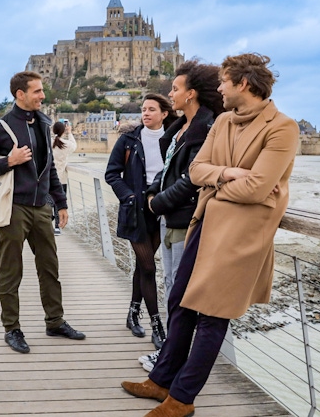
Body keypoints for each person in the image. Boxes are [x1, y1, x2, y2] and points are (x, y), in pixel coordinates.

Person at [121, 53, 299, 417]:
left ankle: (182, 399)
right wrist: (227, 175)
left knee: (213, 316)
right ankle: (161, 380)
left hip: (242, 235)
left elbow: (258, 187)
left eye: (224, 81)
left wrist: (217, 186)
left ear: (244, 84)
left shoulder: (282, 127)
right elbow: (198, 169)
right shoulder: (222, 122)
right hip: (205, 225)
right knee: (181, 302)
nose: (218, 88)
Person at [0, 71, 85, 354]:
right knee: (11, 271)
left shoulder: (45, 123)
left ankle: (55, 321)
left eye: (42, 91)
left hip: (41, 207)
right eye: (37, 91)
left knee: (50, 266)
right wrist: (8, 161)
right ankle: (12, 328)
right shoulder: (2, 127)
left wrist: (61, 203)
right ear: (19, 94)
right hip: (13, 209)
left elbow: (49, 171)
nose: (42, 96)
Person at [138, 60, 225, 372]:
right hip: (170, 217)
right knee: (172, 285)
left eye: (175, 88)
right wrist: (151, 192)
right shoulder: (181, 128)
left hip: (187, 218)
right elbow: (169, 170)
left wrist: (156, 203)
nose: (170, 93)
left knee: (180, 291)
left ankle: (172, 360)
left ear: (191, 94)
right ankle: (171, 357)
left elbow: (192, 178)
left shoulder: (207, 127)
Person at [105, 93, 178, 349]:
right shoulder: (129, 139)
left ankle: (133, 312)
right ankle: (157, 325)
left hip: (162, 208)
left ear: (164, 113)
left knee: (142, 265)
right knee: (148, 267)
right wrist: (130, 196)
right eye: (143, 110)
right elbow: (112, 173)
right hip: (136, 209)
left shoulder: (174, 138)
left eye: (151, 109)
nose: (145, 114)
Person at [50, 120, 77, 235]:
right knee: (59, 203)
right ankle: (57, 227)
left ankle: (46, 221)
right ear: (63, 131)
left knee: (48, 201)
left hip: (48, 178)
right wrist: (69, 132)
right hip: (61, 178)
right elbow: (74, 146)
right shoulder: (66, 144)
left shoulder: (49, 142)